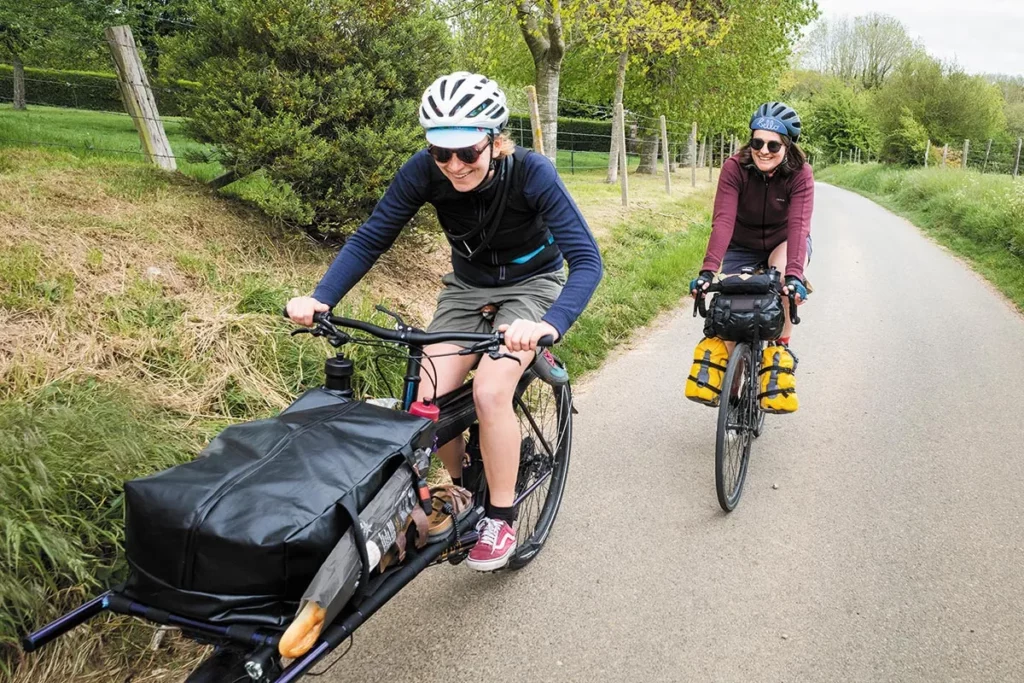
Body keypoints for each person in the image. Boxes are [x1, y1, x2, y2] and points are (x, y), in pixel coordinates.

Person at [286, 72, 603, 571]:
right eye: (441, 153)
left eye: (468, 153)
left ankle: (500, 517)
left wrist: (549, 324)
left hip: (532, 284)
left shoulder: (533, 173)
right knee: (426, 397)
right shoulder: (423, 171)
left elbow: (587, 260)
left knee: (492, 390)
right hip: (468, 288)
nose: (453, 166)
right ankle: (462, 486)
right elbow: (373, 236)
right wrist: (321, 297)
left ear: (497, 142)